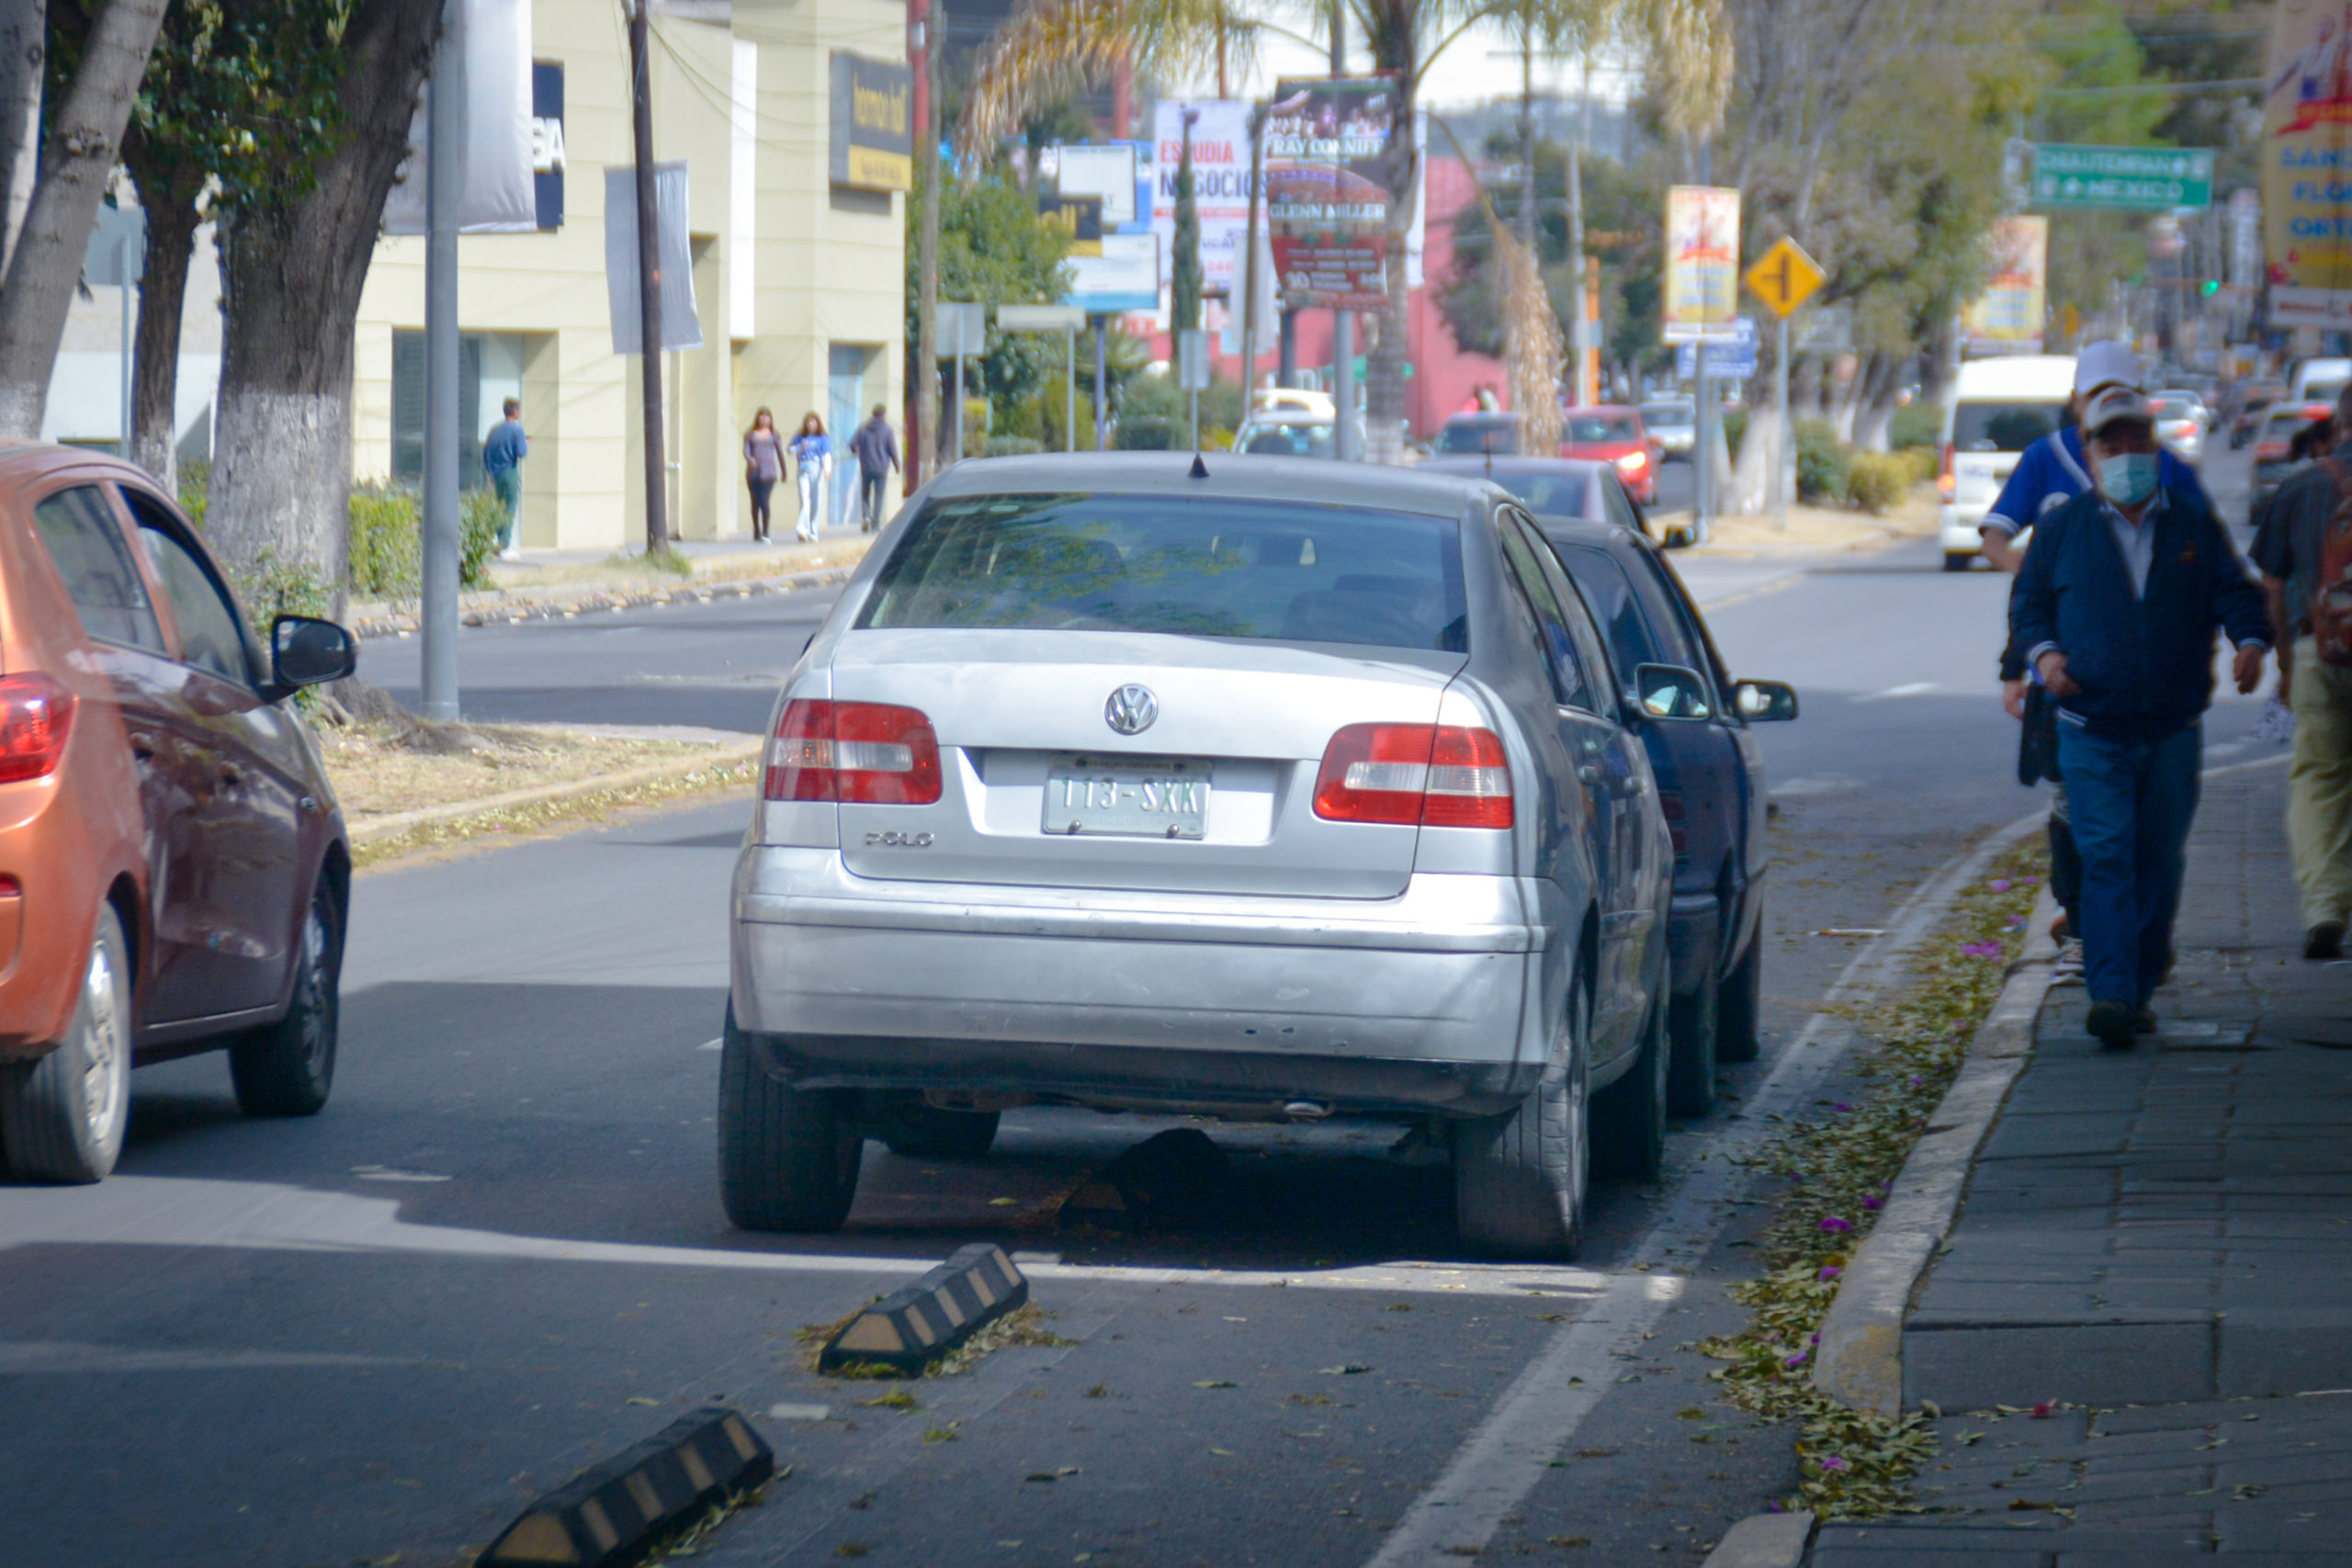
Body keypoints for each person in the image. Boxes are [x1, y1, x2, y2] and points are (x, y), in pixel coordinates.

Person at [2010, 385, 2271, 1047]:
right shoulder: (2065, 528)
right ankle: (2114, 994)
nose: (2125, 452)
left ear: (2154, 447)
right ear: (2090, 454)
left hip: (2173, 730)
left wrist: (2250, 642)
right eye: (2110, 442)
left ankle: (2143, 975)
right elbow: (2030, 604)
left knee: (2158, 860)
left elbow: (2235, 593)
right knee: (2104, 856)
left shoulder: (2189, 521)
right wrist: (2043, 658)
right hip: (2090, 728)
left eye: (2136, 440)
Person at [1987, 342, 2208, 976]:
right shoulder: (2046, 459)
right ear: (2077, 403)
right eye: (2094, 393)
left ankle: (2137, 943)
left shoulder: (2167, 471)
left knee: (2150, 829)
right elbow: (1998, 541)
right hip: (2066, 674)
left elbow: (2209, 562)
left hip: (2156, 689)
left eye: (2121, 393)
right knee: (2075, 809)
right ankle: (2086, 927)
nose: (2107, 408)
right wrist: (2049, 587)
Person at [2252, 382, 2352, 959]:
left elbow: (2270, 584)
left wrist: (2287, 666)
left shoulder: (2305, 484)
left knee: (2320, 780)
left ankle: (2324, 909)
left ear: (2338, 426)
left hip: (2323, 650)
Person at [482, 399, 528, 561]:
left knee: (498, 509)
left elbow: (485, 452)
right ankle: (506, 546)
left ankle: (495, 542)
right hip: (510, 472)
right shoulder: (517, 431)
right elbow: (522, 452)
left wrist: (490, 473)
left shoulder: (495, 430)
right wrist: (526, 443)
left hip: (496, 474)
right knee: (509, 509)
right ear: (515, 412)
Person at [849, 404, 899, 533]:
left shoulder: (863, 428)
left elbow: (852, 445)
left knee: (865, 494)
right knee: (879, 495)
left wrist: (858, 452)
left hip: (866, 467)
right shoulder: (888, 430)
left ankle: (866, 516)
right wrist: (897, 465)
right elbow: (892, 449)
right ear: (884, 414)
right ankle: (875, 524)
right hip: (882, 469)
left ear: (873, 413)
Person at [788, 412, 832, 543]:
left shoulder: (822, 438)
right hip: (803, 468)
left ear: (818, 424)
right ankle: (802, 529)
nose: (811, 424)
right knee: (804, 498)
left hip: (817, 468)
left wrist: (827, 469)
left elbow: (827, 454)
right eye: (809, 422)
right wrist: (800, 447)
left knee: (816, 501)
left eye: (814, 422)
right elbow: (790, 450)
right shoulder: (800, 437)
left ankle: (813, 530)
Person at [742, 408, 783, 544]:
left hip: (769, 473)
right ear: (757, 418)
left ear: (771, 419)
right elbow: (746, 450)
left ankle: (765, 531)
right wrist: (750, 459)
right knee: (755, 502)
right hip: (753, 474)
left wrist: (783, 471)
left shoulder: (774, 435)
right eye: (762, 416)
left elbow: (780, 452)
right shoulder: (750, 434)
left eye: (767, 417)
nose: (764, 419)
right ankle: (756, 530)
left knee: (764, 502)